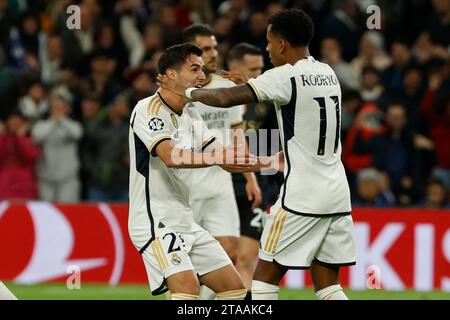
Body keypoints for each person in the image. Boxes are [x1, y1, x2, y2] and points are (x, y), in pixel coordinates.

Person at [158, 9, 356, 300]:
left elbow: (224, 98)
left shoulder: (283, 77)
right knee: (327, 284)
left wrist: (185, 91)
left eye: (269, 41)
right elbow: (293, 92)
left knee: (263, 280)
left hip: (302, 196)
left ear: (282, 44)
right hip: (338, 193)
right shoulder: (327, 73)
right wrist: (253, 83)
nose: (267, 48)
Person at [128, 43, 255, 300]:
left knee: (235, 290)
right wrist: (217, 157)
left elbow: (225, 156)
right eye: (194, 69)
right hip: (156, 220)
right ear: (170, 75)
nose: (202, 76)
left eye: (202, 69)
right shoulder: (147, 109)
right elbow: (170, 156)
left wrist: (271, 161)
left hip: (185, 220)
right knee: (187, 288)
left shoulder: (191, 115)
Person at [181, 24, 262, 299]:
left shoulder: (227, 88)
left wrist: (250, 177)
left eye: (214, 47)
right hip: (186, 186)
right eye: (206, 49)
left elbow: (236, 132)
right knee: (185, 262)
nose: (213, 53)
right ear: (189, 54)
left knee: (228, 251)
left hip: (221, 183)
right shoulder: (177, 93)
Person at [226, 42, 280, 292]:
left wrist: (269, 180)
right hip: (220, 185)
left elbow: (275, 141)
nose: (260, 75)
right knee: (223, 255)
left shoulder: (267, 103)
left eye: (261, 68)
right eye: (253, 69)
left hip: (254, 186)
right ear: (234, 68)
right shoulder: (216, 99)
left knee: (247, 257)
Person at [32, 93, 83, 202]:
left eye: (61, 107)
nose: (58, 111)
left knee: (68, 210)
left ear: (67, 109)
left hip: (68, 177)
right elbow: (37, 136)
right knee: (46, 210)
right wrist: (54, 121)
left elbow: (77, 134)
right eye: (55, 107)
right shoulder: (41, 125)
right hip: (46, 177)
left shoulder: (73, 125)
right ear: (50, 109)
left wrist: (61, 120)